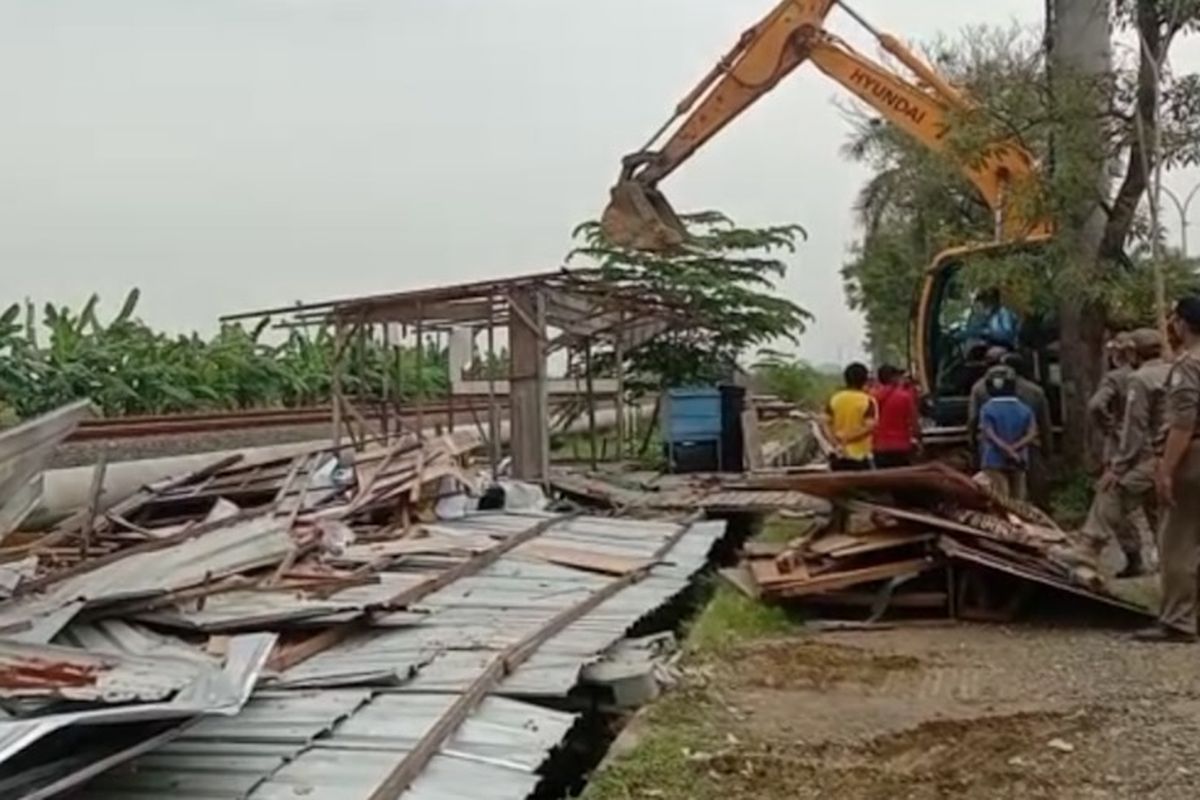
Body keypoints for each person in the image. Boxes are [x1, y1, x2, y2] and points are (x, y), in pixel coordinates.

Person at [1137, 298, 1200, 642]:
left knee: (1177, 540)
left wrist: (1166, 470)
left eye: (1174, 319)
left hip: (1193, 457)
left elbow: (1183, 424)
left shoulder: (1188, 366)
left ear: (1183, 324)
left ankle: (1178, 620)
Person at [1082, 328, 1168, 578]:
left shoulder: (1126, 378)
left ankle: (1099, 548)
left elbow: (1098, 406)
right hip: (1169, 452)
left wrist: (1111, 429)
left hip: (1132, 451)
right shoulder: (1175, 371)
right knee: (1158, 510)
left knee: (1111, 493)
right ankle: (1165, 561)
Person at [977, 367, 1038, 500]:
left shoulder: (987, 409)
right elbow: (1032, 433)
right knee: (1018, 500)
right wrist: (1015, 449)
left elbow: (989, 433)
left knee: (1000, 500)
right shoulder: (1025, 409)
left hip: (993, 460)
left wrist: (1006, 449)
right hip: (1019, 460)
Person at [1089, 333, 1136, 465]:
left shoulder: (1115, 378)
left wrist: (1109, 426)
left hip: (1120, 440)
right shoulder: (1156, 373)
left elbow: (1096, 405)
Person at [824, 362, 877, 471]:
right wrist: (849, 438)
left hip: (839, 455)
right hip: (860, 456)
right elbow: (869, 427)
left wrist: (835, 442)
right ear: (865, 380)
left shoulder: (834, 399)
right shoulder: (868, 401)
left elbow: (825, 423)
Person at [872, 364, 921, 468]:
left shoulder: (873, 397)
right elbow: (914, 421)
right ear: (893, 378)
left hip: (879, 447)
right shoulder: (905, 396)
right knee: (902, 476)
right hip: (901, 446)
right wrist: (918, 438)